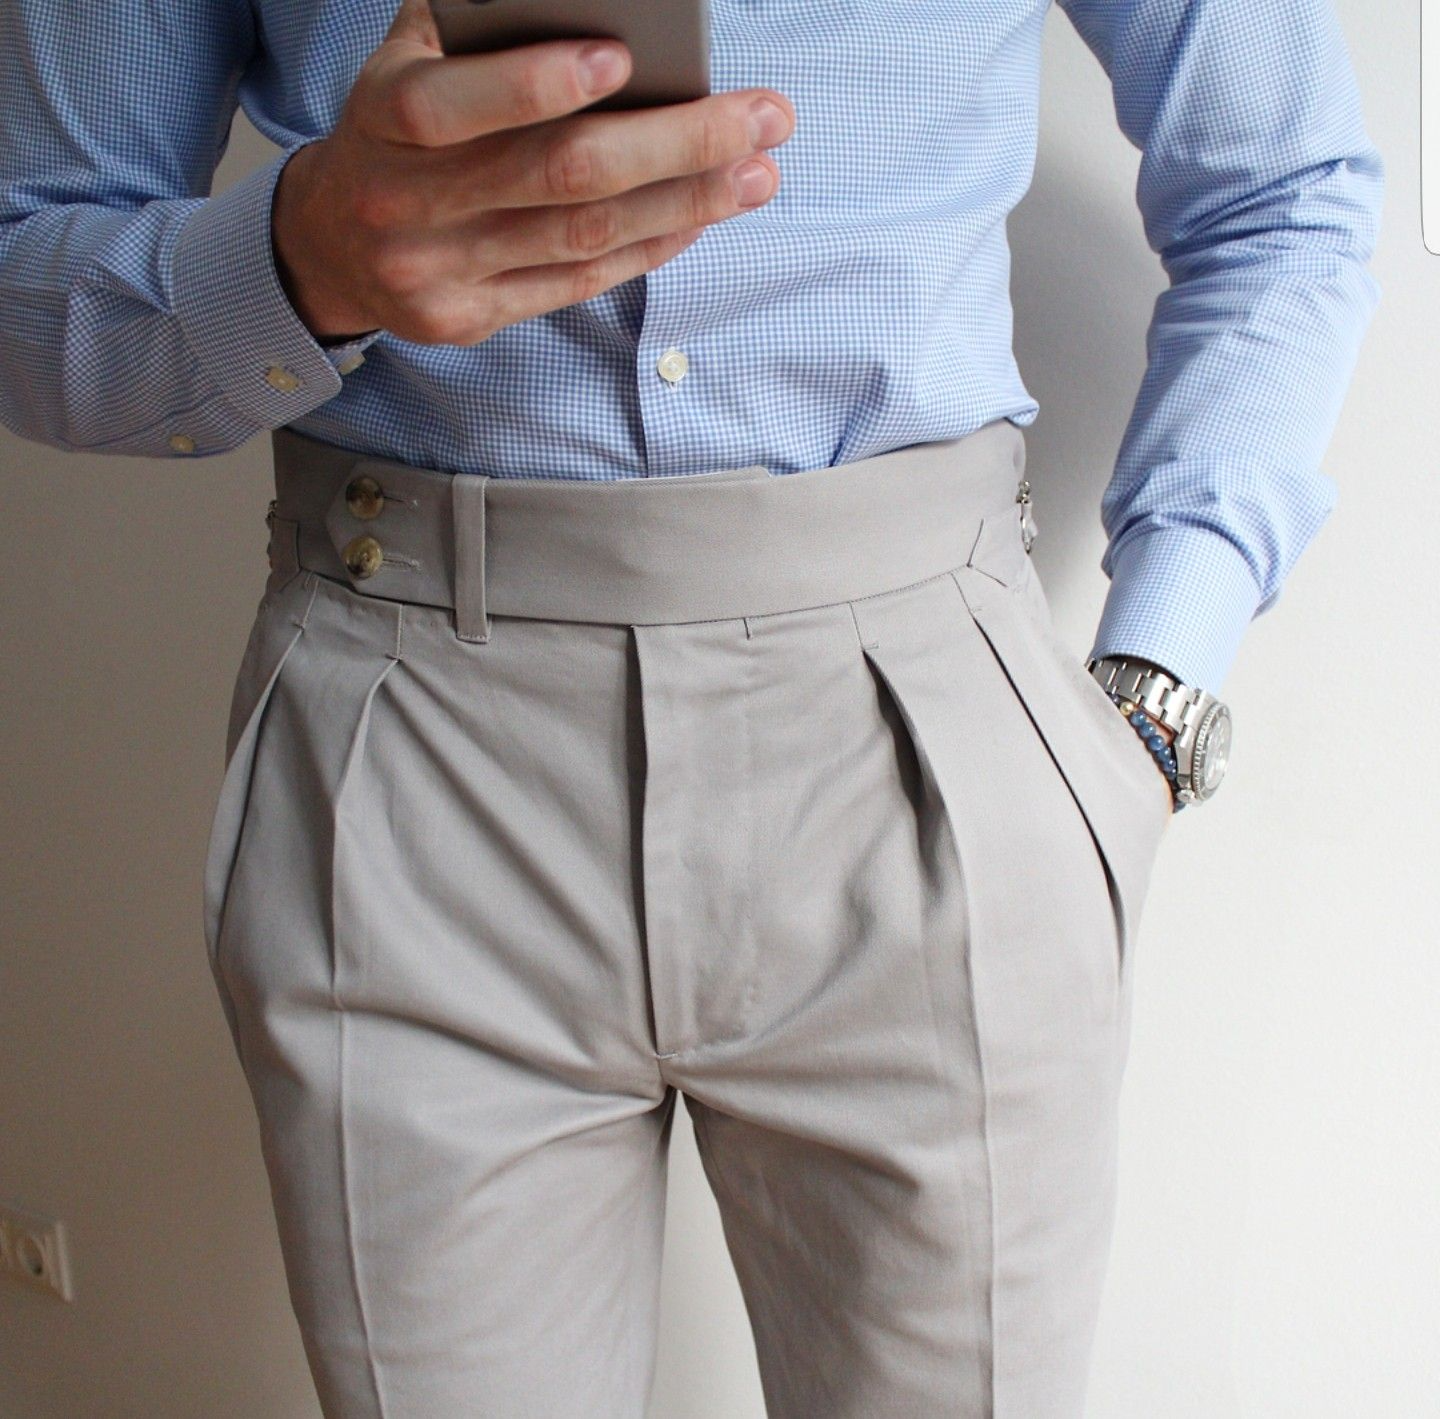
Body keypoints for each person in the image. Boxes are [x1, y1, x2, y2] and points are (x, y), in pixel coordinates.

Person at [0, 1, 1383, 1414]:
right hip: (411, 764)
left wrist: (1153, 699)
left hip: (928, 756)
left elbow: (1287, 190)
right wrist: (300, 260)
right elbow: (24, 273)